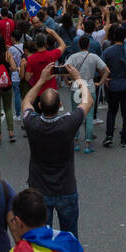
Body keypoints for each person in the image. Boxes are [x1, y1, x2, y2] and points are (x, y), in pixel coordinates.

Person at [21, 64, 90, 235]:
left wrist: (41, 81)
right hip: (66, 188)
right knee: (70, 236)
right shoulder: (68, 123)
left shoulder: (32, 123)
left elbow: (26, 102)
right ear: (60, 105)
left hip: (39, 191)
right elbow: (87, 101)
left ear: (40, 106)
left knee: (42, 238)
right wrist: (78, 78)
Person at [101, 23, 126, 147]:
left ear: (114, 36)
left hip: (113, 84)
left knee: (112, 111)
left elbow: (102, 68)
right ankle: (124, 139)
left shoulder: (108, 51)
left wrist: (106, 78)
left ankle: (109, 135)